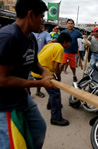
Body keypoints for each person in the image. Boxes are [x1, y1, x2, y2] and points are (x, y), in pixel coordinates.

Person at [0, 0, 55, 148]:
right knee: (12, 144)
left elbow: (33, 61)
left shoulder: (30, 37)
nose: (42, 21)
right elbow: (3, 80)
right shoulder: (8, 37)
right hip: (5, 103)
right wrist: (39, 83)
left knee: (38, 130)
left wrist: (44, 73)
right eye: (41, 17)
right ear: (31, 15)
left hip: (21, 97)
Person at [32, 32, 72, 126]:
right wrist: (58, 78)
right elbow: (55, 67)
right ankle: (56, 118)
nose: (69, 45)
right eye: (69, 43)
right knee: (55, 92)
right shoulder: (60, 48)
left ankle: (50, 105)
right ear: (64, 42)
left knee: (53, 91)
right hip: (44, 72)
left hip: (36, 70)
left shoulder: (50, 45)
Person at [32, 24, 52, 98]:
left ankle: (38, 91)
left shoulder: (46, 34)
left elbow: (49, 42)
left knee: (39, 77)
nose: (41, 26)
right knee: (26, 76)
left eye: (42, 26)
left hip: (40, 59)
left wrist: (50, 44)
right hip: (30, 57)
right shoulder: (31, 33)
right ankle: (28, 92)